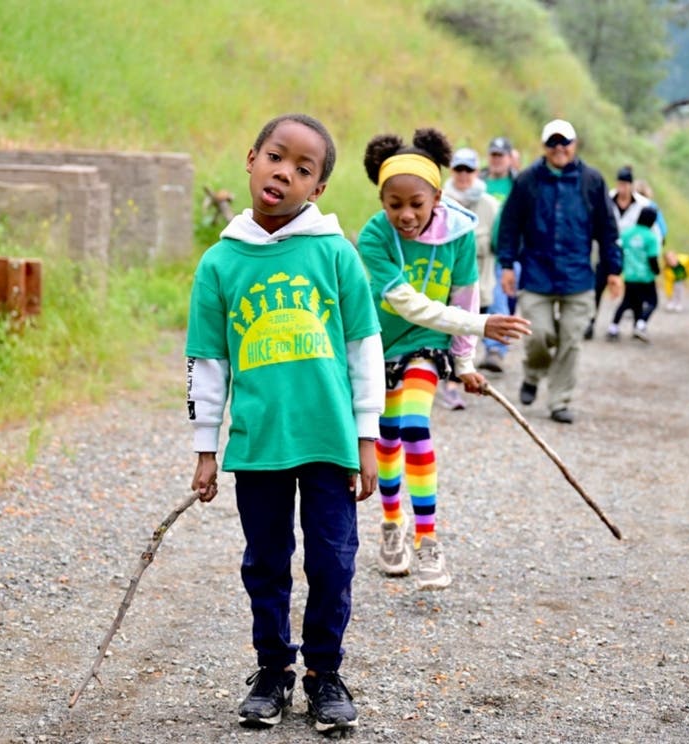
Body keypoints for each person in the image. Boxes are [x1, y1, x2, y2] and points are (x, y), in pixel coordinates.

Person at [186, 113, 386, 734]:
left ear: (318, 190)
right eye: (277, 157)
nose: (286, 172)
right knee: (265, 561)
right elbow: (208, 361)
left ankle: (325, 674)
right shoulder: (220, 264)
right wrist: (205, 447)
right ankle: (272, 671)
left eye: (304, 169)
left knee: (332, 560)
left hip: (330, 443)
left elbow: (364, 348)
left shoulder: (335, 254)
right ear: (251, 159)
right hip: (259, 442)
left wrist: (367, 436)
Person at [357, 127, 531, 590]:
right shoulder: (374, 237)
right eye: (394, 204)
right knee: (388, 438)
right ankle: (393, 525)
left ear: (437, 194)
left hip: (427, 344)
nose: (406, 215)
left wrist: (465, 363)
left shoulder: (459, 230)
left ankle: (428, 541)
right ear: (382, 201)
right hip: (378, 344)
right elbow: (405, 302)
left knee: (414, 425)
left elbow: (465, 295)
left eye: (417, 203)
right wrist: (480, 326)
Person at [497, 118, 622, 424]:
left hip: (578, 276)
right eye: (553, 143)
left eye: (564, 143)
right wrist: (506, 265)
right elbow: (510, 225)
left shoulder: (591, 180)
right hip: (537, 273)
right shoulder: (527, 180)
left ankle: (559, 401)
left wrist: (614, 269)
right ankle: (533, 372)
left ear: (574, 145)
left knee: (571, 339)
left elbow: (607, 228)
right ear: (544, 147)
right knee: (538, 334)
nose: (559, 149)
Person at [439, 146, 500, 410]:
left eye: (468, 169)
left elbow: (499, 242)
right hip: (445, 282)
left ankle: (455, 379)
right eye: (459, 169)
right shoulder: (439, 200)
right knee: (447, 329)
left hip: (479, 283)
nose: (463, 175)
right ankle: (449, 385)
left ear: (476, 172)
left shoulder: (490, 205)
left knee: (468, 331)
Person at [585, 164, 653, 340]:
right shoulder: (606, 200)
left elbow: (651, 229)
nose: (622, 188)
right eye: (620, 183)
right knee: (597, 288)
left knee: (633, 291)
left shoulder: (642, 205)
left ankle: (634, 325)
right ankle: (590, 322)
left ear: (631, 185)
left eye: (626, 184)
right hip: (606, 251)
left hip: (632, 255)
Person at [477, 135, 521, 373]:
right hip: (482, 252)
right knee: (489, 299)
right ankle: (492, 349)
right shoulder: (478, 182)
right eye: (493, 155)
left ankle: (496, 347)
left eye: (500, 155)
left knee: (503, 299)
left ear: (509, 158)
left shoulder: (518, 184)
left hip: (509, 251)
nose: (496, 160)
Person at [607, 206, 661, 342]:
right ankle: (641, 323)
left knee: (628, 303)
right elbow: (652, 258)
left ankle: (613, 327)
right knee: (652, 302)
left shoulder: (627, 233)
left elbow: (618, 250)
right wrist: (657, 271)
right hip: (646, 277)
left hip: (630, 275)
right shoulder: (650, 237)